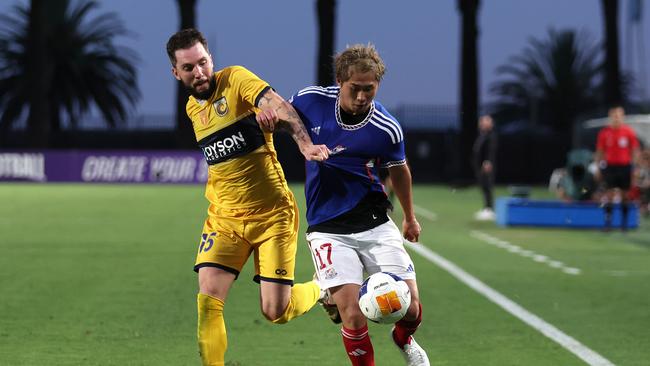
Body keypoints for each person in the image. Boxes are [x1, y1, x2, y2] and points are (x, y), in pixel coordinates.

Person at [166, 28, 330, 366]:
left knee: (275, 311)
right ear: (176, 73)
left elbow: (278, 106)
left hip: (272, 215)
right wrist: (257, 125)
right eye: (189, 68)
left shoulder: (236, 80)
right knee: (208, 298)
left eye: (203, 63)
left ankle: (321, 287)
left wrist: (302, 144)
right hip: (224, 218)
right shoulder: (191, 110)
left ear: (211, 58)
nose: (199, 73)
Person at [257, 44, 429, 366]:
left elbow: (399, 171)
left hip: (375, 222)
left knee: (411, 309)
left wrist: (409, 218)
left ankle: (403, 339)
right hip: (328, 229)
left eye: (369, 89)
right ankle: (333, 295)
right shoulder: (311, 100)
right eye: (355, 89)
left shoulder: (386, 127)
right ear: (340, 81)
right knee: (352, 316)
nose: (363, 96)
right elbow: (280, 113)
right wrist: (267, 120)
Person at [594, 105, 640, 230]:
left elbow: (635, 151)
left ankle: (624, 224)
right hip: (610, 167)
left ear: (623, 117)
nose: (616, 118)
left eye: (619, 116)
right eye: (614, 116)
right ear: (610, 117)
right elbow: (600, 152)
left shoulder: (629, 132)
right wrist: (597, 167)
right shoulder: (604, 133)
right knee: (609, 195)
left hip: (625, 167)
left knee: (625, 195)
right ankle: (608, 223)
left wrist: (635, 168)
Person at [472, 115, 497, 221]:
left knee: (487, 186)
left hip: (486, 165)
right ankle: (486, 208)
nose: (481, 123)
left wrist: (488, 162)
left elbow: (491, 150)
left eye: (484, 122)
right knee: (483, 186)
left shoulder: (491, 136)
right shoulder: (483, 134)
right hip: (480, 166)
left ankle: (489, 209)